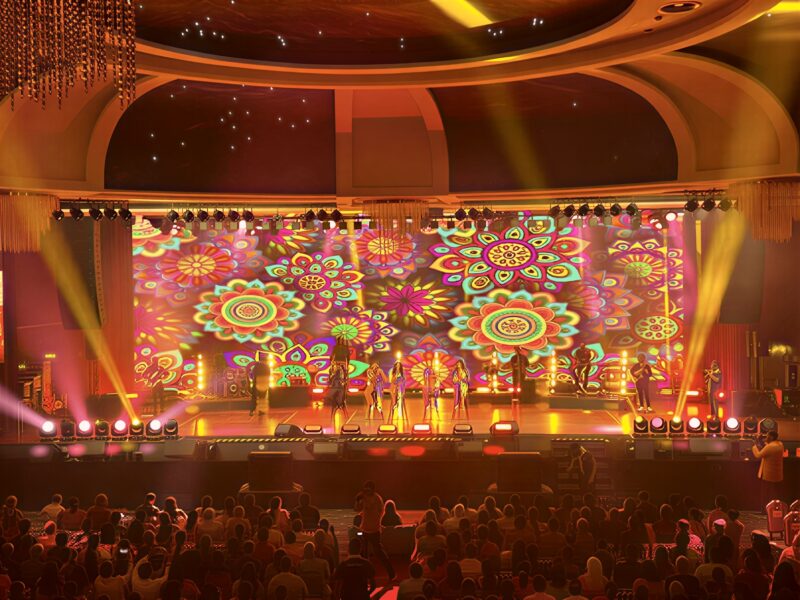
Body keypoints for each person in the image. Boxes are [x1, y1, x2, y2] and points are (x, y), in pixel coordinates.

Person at [353, 481, 395, 581]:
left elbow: (379, 511)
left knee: (379, 553)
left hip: (375, 531)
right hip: (364, 530)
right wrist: (357, 500)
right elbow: (357, 509)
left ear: (372, 489)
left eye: (369, 489)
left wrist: (366, 502)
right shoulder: (364, 498)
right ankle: (364, 576)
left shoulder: (377, 498)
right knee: (363, 554)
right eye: (365, 489)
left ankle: (392, 573)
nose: (367, 491)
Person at [752, 430, 784, 508]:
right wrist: (760, 441)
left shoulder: (771, 446)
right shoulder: (780, 444)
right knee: (774, 494)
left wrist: (754, 445)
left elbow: (758, 455)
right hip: (777, 475)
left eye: (767, 436)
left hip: (768, 475)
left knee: (766, 495)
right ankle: (774, 509)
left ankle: (765, 510)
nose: (765, 438)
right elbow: (766, 449)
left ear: (771, 437)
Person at [388, 357, 408, 422]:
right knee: (393, 388)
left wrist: (401, 385)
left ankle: (396, 403)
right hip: (394, 388)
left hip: (401, 388)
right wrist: (395, 375)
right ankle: (394, 403)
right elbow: (392, 381)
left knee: (399, 386)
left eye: (399, 365)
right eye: (397, 365)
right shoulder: (393, 373)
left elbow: (404, 381)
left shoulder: (403, 373)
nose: (398, 366)